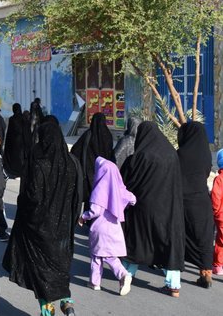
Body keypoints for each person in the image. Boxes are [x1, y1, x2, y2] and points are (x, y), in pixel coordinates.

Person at [3, 119, 81, 316]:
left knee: (40, 271)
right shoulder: (71, 163)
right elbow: (77, 196)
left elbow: (32, 197)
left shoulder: (39, 164)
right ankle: (68, 303)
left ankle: (47, 309)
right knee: (60, 268)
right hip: (63, 228)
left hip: (39, 229)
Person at [120, 121, 185, 298]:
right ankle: (174, 285)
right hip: (169, 209)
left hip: (143, 208)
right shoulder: (172, 154)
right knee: (167, 244)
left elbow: (128, 181)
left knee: (138, 241)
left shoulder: (141, 155)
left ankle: (127, 275)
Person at [79, 157, 136, 295]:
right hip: (114, 227)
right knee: (110, 255)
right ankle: (123, 274)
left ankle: (95, 282)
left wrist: (83, 216)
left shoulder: (100, 189)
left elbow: (95, 210)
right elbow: (132, 199)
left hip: (100, 228)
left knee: (96, 256)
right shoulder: (118, 188)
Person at [177, 121, 215, 288]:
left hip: (184, 201)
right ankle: (206, 272)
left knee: (183, 235)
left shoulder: (180, 154)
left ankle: (174, 267)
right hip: (202, 200)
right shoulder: (206, 154)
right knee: (204, 238)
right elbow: (206, 172)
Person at [70, 112, 115, 210]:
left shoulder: (87, 135)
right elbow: (111, 154)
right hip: (104, 172)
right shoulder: (108, 135)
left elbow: (75, 150)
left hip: (90, 173)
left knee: (91, 198)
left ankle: (90, 216)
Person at [4, 103, 25, 177]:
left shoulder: (12, 119)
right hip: (22, 141)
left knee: (15, 157)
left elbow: (10, 132)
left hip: (14, 141)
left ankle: (15, 172)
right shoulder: (24, 118)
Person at [212, 149, 223, 276]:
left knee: (220, 241)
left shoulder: (219, 178)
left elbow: (216, 197)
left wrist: (215, 212)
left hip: (221, 215)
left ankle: (218, 265)